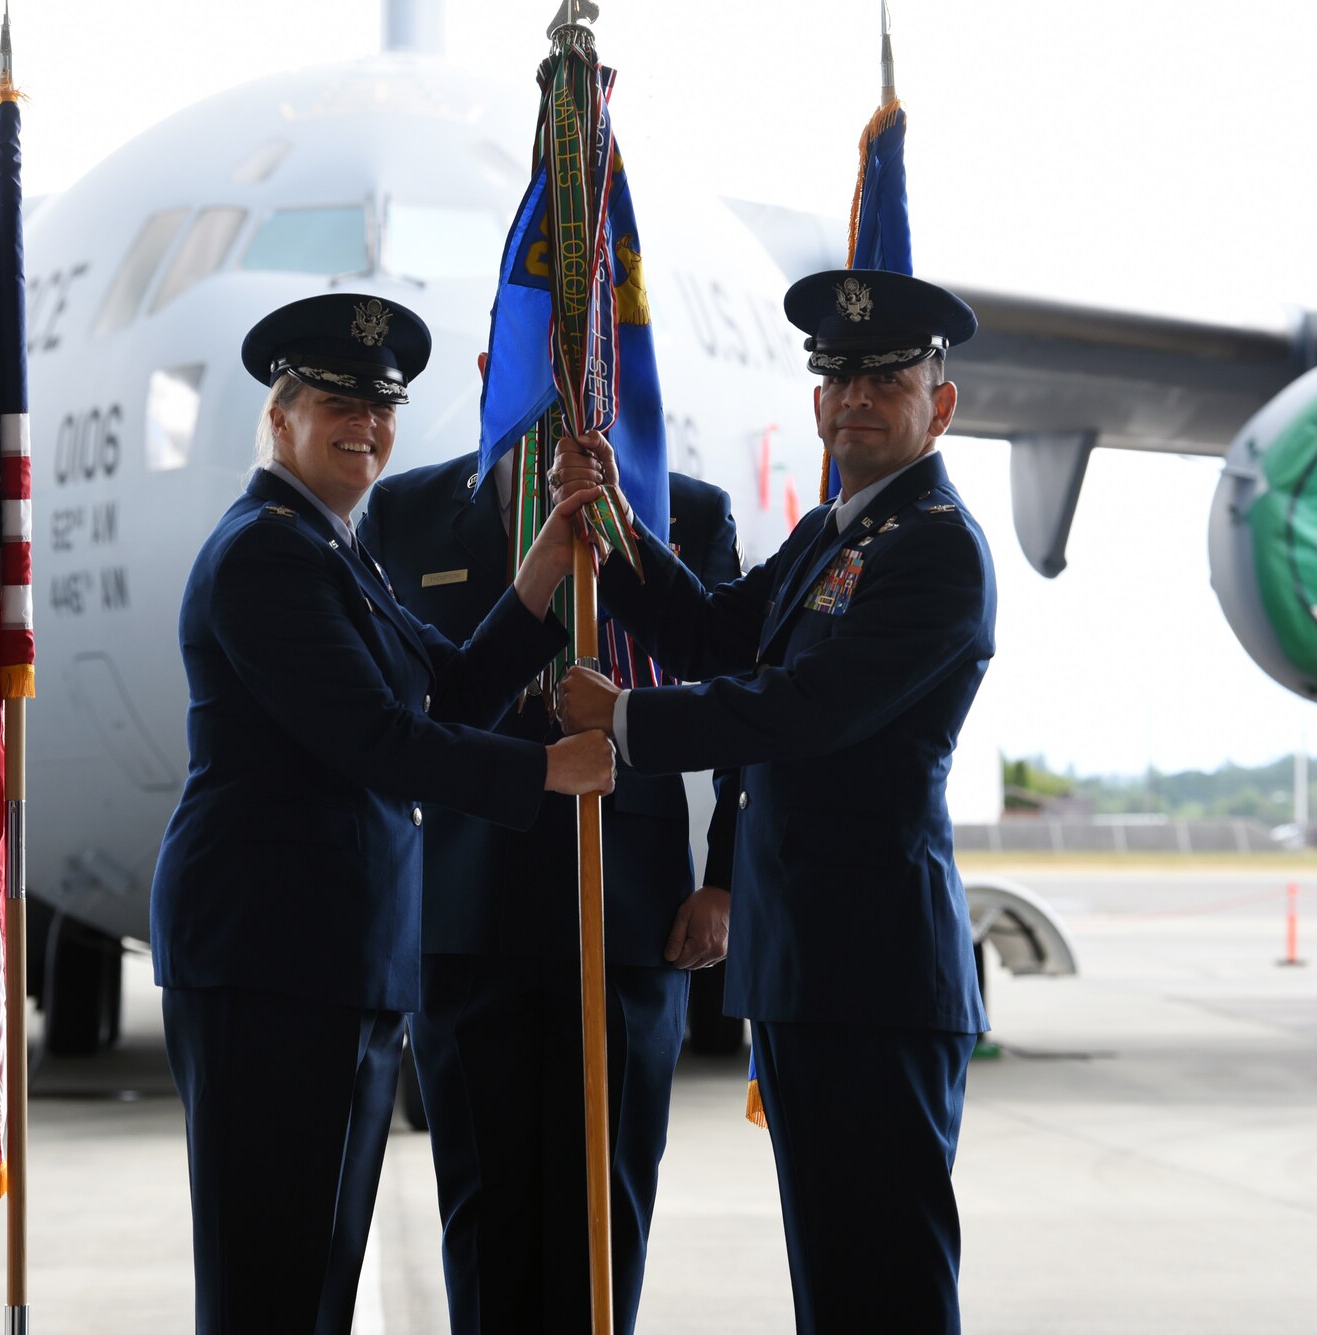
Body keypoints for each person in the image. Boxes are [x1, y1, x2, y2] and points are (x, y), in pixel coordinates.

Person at [149, 293, 617, 1335]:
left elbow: (444, 694)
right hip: (270, 959)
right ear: (279, 417)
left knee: (316, 1266)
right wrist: (546, 772)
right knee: (270, 1276)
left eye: (380, 405)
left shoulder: (334, 550)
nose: (363, 424)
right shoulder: (266, 554)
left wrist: (541, 566)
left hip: (335, 959)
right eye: (333, 403)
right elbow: (374, 739)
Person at [551, 269, 995, 1334]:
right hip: (805, 967)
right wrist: (607, 523)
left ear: (939, 403)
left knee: (883, 1275)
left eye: (884, 376)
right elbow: (716, 632)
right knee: (835, 1273)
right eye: (836, 375)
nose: (854, 395)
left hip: (874, 972)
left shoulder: (932, 547)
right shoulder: (835, 532)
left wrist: (624, 724)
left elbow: (805, 707)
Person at [360, 435, 742, 1334]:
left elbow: (742, 707)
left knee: (606, 1225)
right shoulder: (405, 511)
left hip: (632, 920)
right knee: (487, 1225)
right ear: (497, 369)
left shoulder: (686, 511)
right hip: (464, 912)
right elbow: (398, 713)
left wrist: (724, 878)